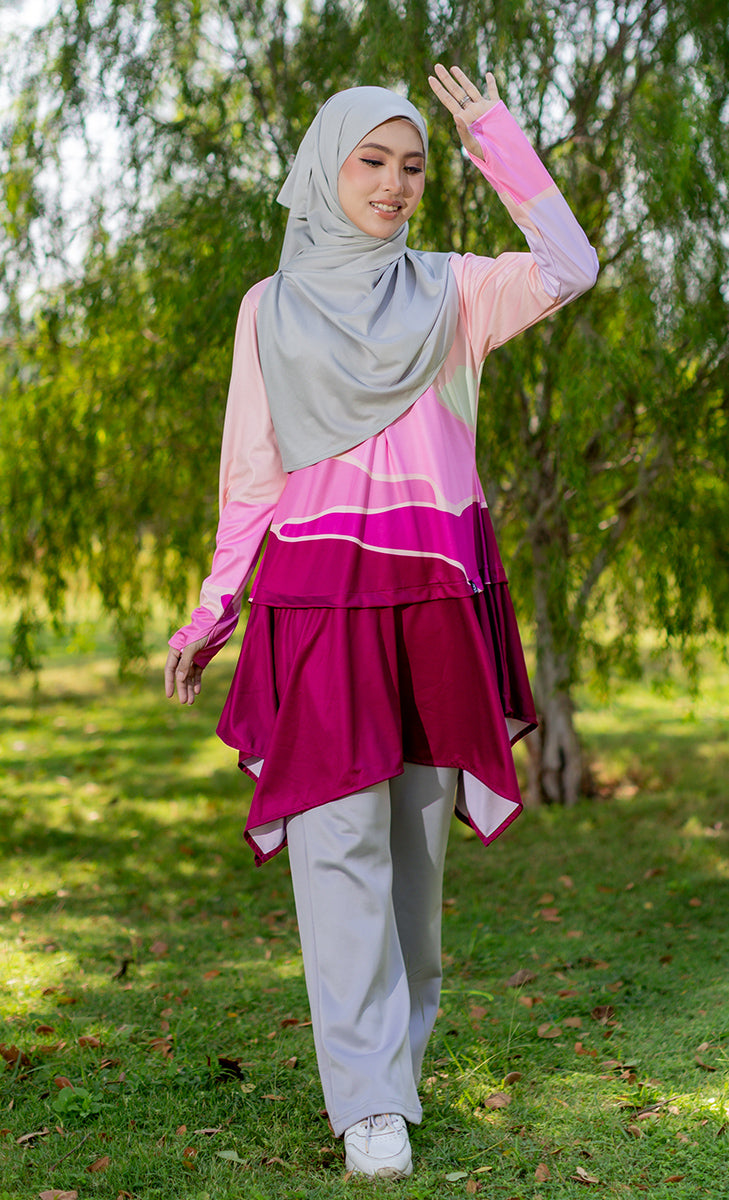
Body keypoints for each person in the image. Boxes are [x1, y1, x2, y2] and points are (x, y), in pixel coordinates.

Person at [164, 63, 598, 1178]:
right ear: (327, 165)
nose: (394, 184)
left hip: (431, 598)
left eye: (412, 167)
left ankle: (391, 1076)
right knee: (338, 838)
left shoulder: (454, 292)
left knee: (412, 853)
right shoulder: (268, 308)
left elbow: (571, 264)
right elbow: (251, 475)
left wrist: (492, 137)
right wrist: (215, 606)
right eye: (372, 161)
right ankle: (365, 1103)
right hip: (319, 598)